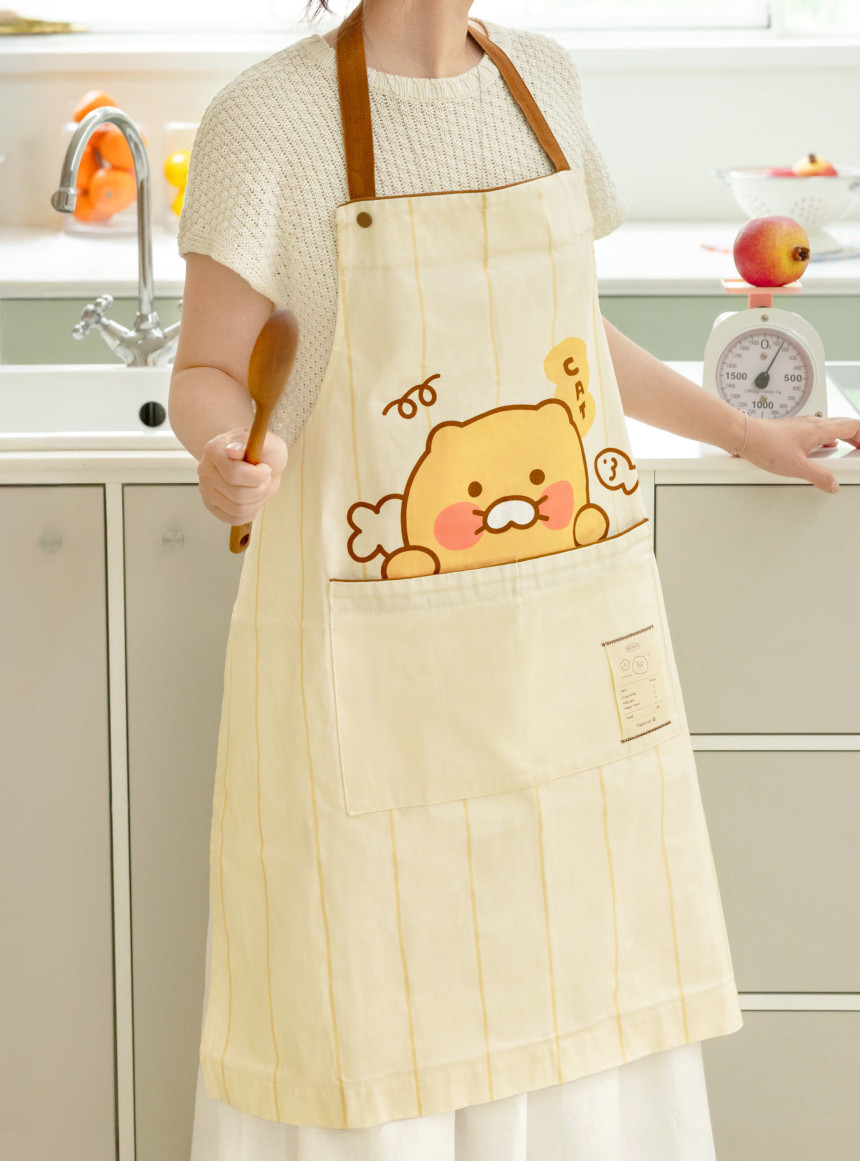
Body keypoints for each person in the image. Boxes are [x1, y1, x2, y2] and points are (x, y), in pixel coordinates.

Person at [169, 3, 860, 1159]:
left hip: (563, 651)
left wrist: (744, 432)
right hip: (379, 670)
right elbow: (205, 366)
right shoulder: (269, 117)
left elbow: (571, 331)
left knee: (584, 972)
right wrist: (225, 453)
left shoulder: (539, 81)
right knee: (375, 997)